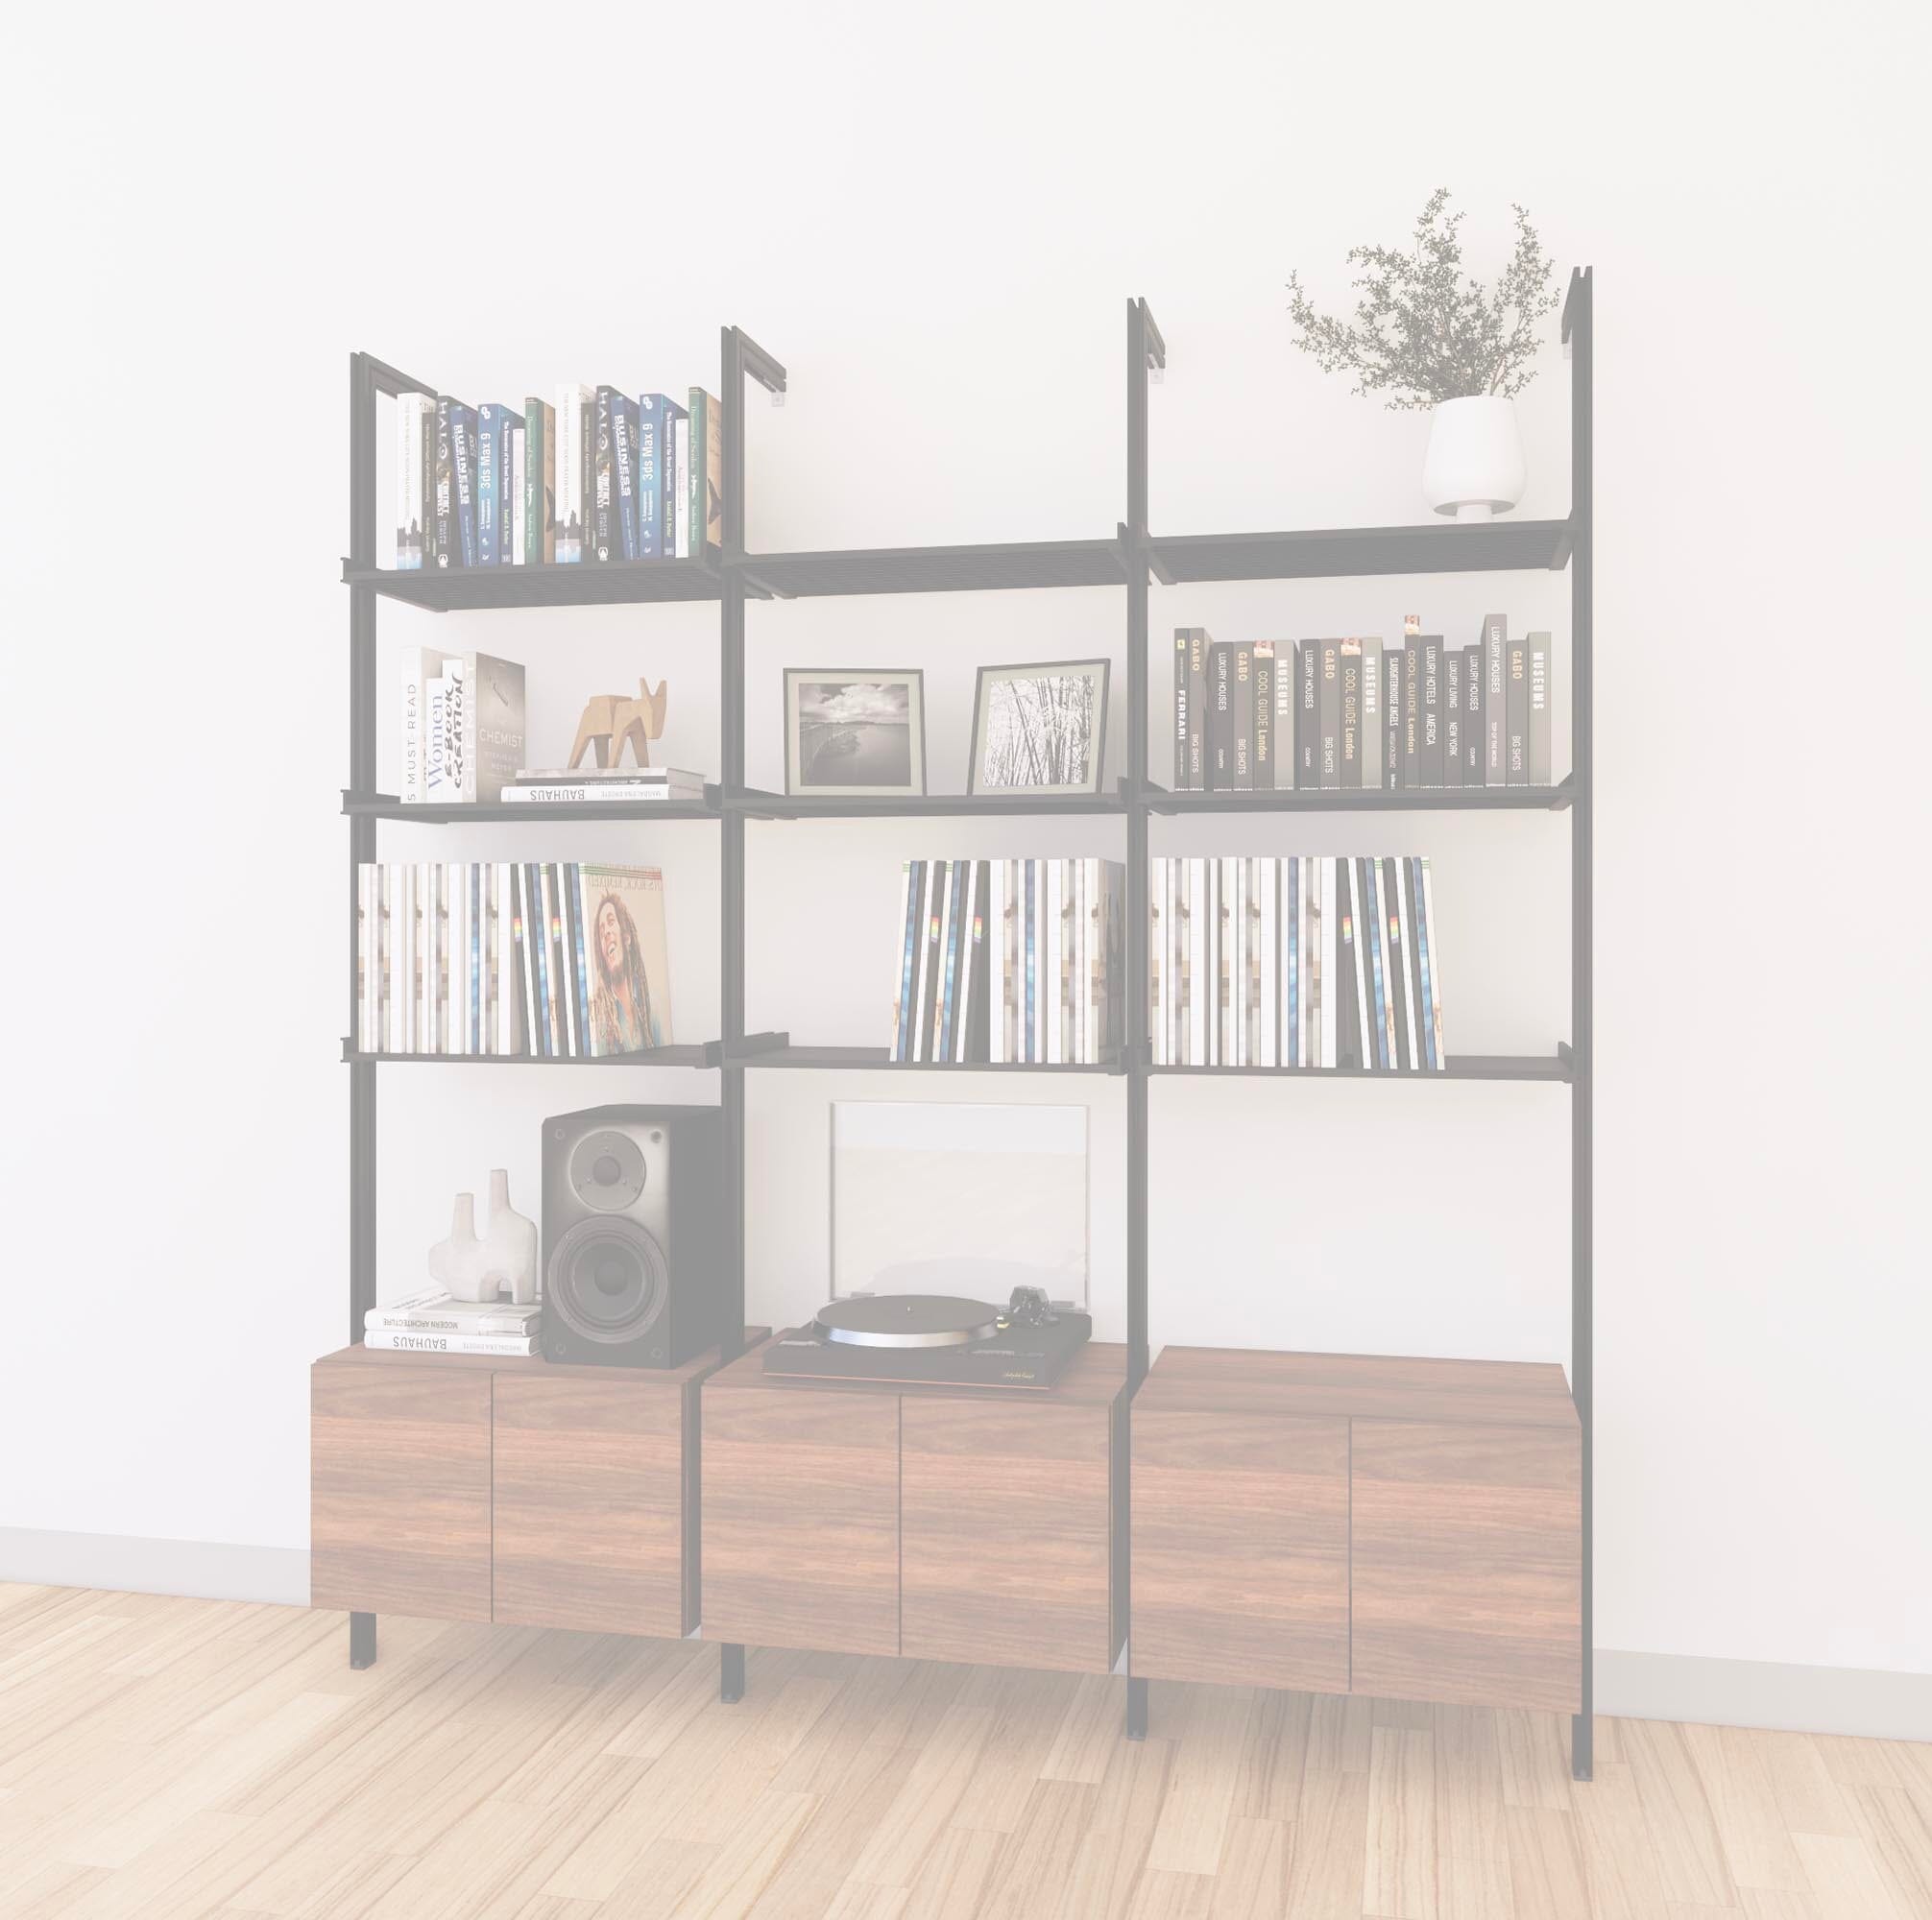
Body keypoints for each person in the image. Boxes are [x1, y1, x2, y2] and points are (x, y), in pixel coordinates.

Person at [589, 891, 662, 1053]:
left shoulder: (653, 1008)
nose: (606, 932)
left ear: (627, 937)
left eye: (611, 922)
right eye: (601, 932)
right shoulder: (599, 1022)